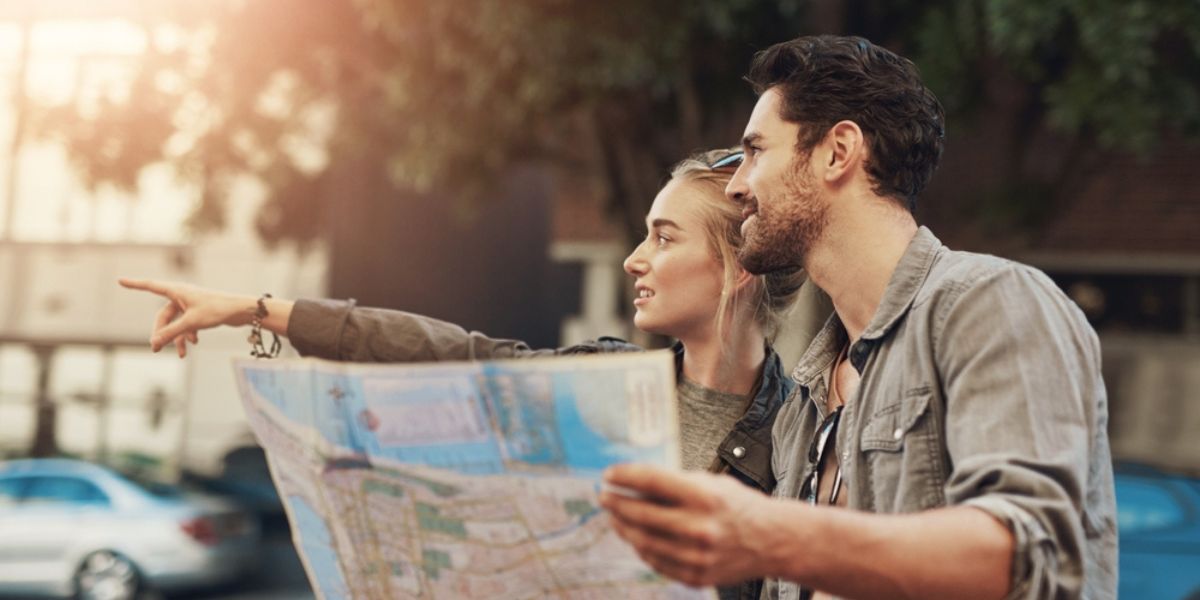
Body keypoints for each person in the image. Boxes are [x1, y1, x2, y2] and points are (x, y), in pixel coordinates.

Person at [121, 148, 804, 600]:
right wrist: (257, 309)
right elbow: (446, 353)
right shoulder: (601, 383)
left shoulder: (804, 436)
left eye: (663, 236)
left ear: (741, 266)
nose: (633, 259)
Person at [600, 35, 1117, 600]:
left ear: (837, 151)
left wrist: (769, 534)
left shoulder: (989, 303)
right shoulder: (804, 402)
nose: (736, 184)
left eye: (755, 152)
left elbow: (1023, 557)